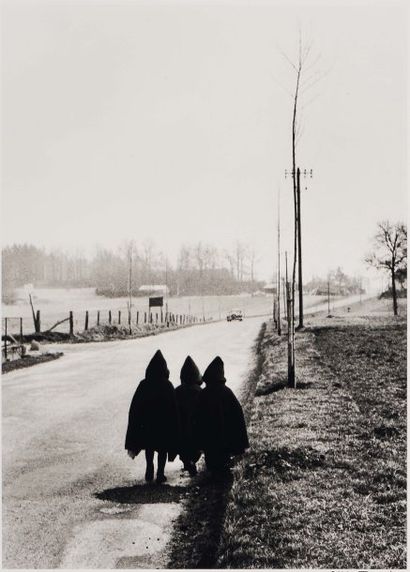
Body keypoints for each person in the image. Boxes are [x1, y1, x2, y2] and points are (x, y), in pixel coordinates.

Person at [125, 350, 179, 484]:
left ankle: (149, 467)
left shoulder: (144, 384)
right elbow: (174, 408)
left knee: (149, 447)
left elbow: (135, 407)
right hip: (163, 425)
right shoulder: (168, 385)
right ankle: (160, 473)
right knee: (162, 449)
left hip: (148, 425)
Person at [194, 356, 249, 474]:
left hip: (209, 438)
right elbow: (237, 414)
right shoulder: (227, 392)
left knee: (211, 461)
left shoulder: (203, 394)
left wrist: (197, 439)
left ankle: (213, 478)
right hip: (225, 439)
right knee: (223, 462)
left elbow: (196, 417)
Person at [175, 356, 203, 476]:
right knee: (196, 448)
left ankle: (187, 462)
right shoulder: (200, 391)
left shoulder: (177, 391)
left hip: (181, 427)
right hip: (196, 426)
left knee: (183, 449)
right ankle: (192, 462)